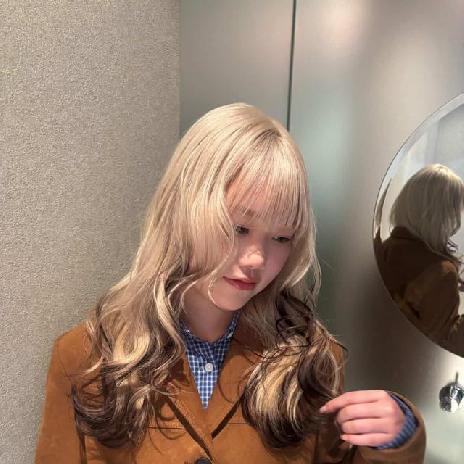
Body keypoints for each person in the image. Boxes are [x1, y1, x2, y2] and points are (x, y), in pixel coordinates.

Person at [35, 103, 426, 463]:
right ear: (184, 210)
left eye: (281, 237)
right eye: (238, 228)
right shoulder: (88, 359)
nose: (257, 258)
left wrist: (395, 438)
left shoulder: (311, 360)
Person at [374, 164, 464, 357]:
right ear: (443, 216)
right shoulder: (442, 273)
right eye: (456, 211)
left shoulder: (386, 248)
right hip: (406, 370)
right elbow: (444, 349)